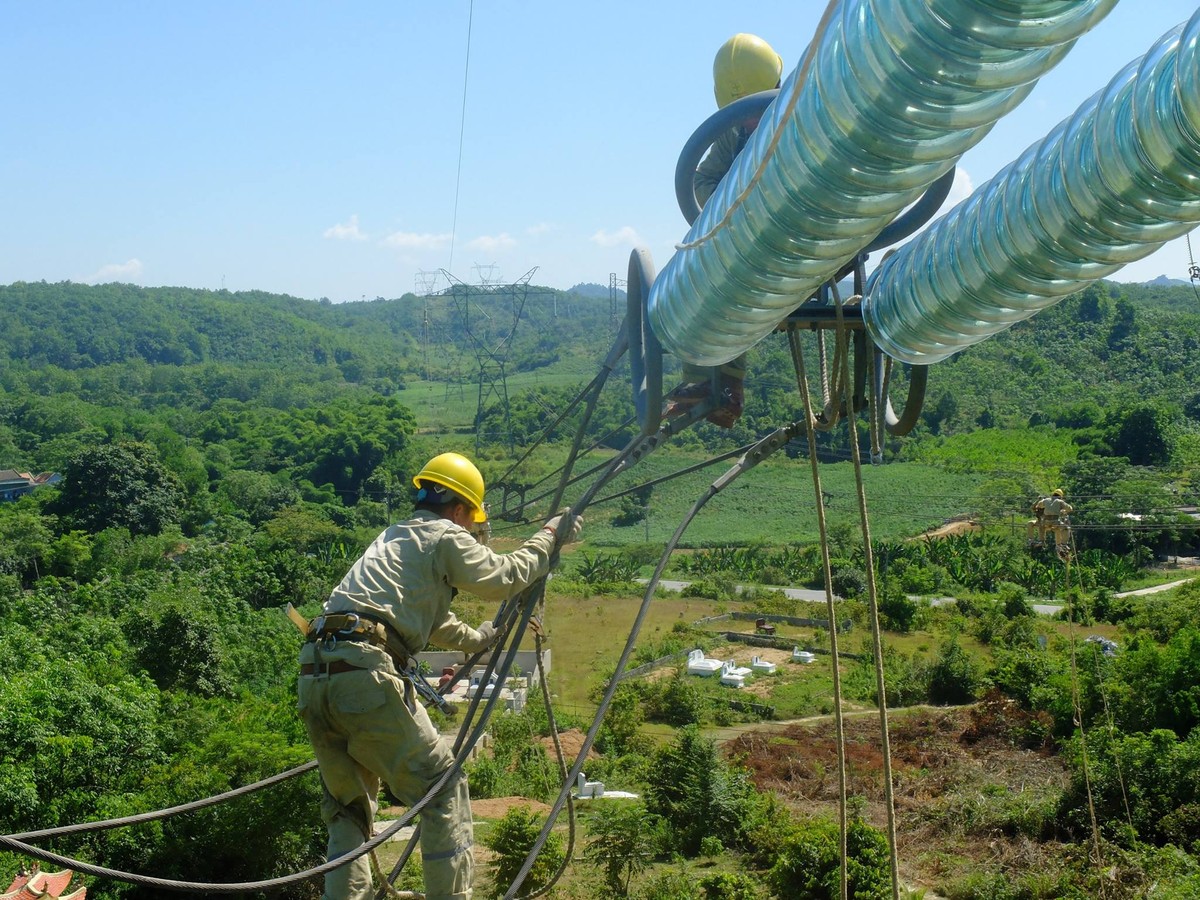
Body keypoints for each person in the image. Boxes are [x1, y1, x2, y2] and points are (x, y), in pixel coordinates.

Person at [297, 451, 583, 900]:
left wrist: (481, 637)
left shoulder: (393, 539)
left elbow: (428, 619)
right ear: (458, 509)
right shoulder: (446, 535)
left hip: (317, 673)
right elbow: (503, 576)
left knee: (348, 812)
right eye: (472, 519)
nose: (472, 529)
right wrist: (549, 536)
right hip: (365, 674)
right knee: (443, 791)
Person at [666, 33, 784, 429]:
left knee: (720, 273)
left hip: (788, 236)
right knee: (696, 264)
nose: (750, 119)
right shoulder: (735, 131)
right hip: (747, 235)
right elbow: (704, 177)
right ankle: (706, 382)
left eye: (752, 110)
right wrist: (729, 203)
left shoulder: (799, 117)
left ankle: (726, 387)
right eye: (741, 111)